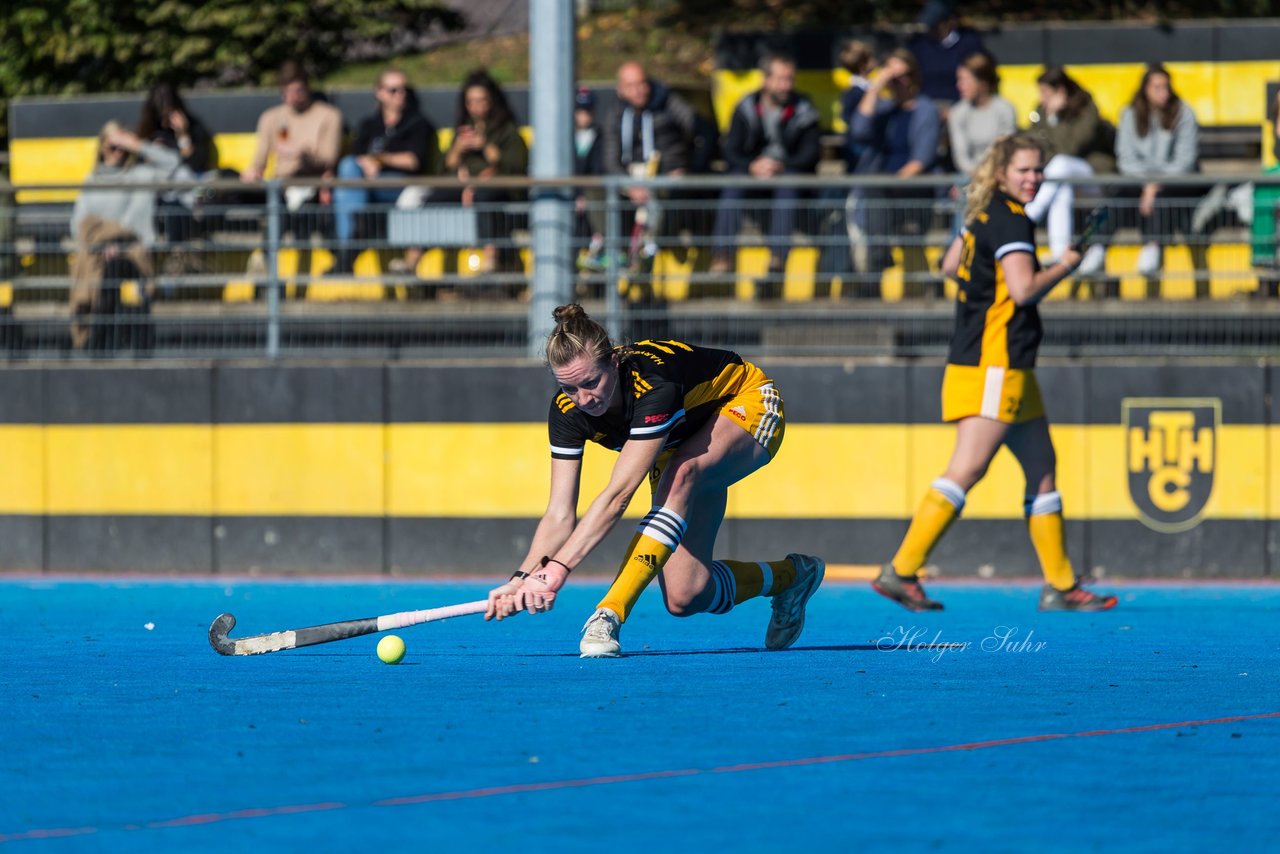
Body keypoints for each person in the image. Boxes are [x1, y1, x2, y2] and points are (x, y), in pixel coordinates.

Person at [484, 304, 825, 658]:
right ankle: (793, 576)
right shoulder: (568, 411)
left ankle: (609, 614)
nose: (584, 400)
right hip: (682, 442)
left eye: (591, 383)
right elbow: (558, 514)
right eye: (570, 389)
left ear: (614, 362)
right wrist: (523, 576)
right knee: (686, 595)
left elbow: (619, 495)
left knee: (681, 474)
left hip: (747, 403)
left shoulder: (653, 385)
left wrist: (558, 568)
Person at [872, 132, 1118, 613]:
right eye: (1024, 169)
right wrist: (1067, 263)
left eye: (1039, 169)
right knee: (967, 468)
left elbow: (948, 266)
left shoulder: (982, 216)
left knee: (1042, 470)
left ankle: (1061, 585)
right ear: (1002, 172)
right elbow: (1024, 290)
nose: (1034, 178)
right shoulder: (1009, 219)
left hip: (1001, 364)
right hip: (994, 364)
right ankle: (900, 570)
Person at [710, 51, 821, 299]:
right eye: (781, 79)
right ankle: (722, 255)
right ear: (765, 80)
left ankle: (777, 260)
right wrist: (752, 165)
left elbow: (810, 154)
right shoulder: (746, 107)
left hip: (787, 175)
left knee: (788, 186)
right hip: (754, 176)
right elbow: (731, 150)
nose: (786, 85)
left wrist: (780, 165)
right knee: (733, 184)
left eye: (790, 79)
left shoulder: (805, 108)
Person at [69, 121, 181, 350]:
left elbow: (172, 163)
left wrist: (136, 144)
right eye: (113, 146)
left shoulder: (139, 174)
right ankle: (100, 339)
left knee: (116, 271)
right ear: (101, 147)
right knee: (104, 273)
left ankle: (98, 341)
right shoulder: (91, 180)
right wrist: (102, 245)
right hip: (98, 252)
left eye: (122, 148)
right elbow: (78, 224)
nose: (118, 152)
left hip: (131, 251)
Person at [849, 48, 942, 299]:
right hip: (880, 189)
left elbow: (922, 159)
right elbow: (858, 130)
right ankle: (877, 265)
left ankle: (873, 280)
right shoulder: (884, 109)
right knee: (870, 195)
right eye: (894, 76)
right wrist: (876, 86)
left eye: (904, 75)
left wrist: (893, 183)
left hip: (912, 187)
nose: (900, 82)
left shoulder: (925, 109)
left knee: (873, 193)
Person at [332, 67, 435, 273]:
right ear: (379, 93)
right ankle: (353, 236)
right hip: (367, 185)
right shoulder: (369, 124)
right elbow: (356, 156)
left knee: (350, 180)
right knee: (348, 168)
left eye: (403, 90)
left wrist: (381, 159)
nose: (400, 95)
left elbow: (413, 161)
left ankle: (349, 245)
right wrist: (367, 163)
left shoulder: (418, 123)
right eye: (393, 90)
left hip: (400, 184)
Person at [1114, 64, 1205, 296]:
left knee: (1163, 197)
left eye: (1166, 86)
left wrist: (1154, 185)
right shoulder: (1129, 114)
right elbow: (1125, 160)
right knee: (1117, 193)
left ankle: (1153, 246)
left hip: (1178, 185)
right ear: (1145, 89)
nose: (1163, 92)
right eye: (1157, 87)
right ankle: (1095, 248)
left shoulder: (1184, 112)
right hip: (1142, 185)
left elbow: (1185, 162)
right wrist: (1148, 184)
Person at [436, 69, 529, 277]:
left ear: (491, 101)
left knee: (485, 195)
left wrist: (485, 145)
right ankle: (414, 259)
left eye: (481, 100)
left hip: (500, 194)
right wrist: (458, 149)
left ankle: (490, 257)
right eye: (471, 102)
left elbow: (514, 166)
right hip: (464, 190)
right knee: (435, 197)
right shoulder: (463, 130)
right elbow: (445, 167)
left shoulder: (506, 130)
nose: (476, 107)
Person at [1025, 67, 1116, 277]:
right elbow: (1036, 149)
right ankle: (1060, 252)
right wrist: (1050, 118)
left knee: (1062, 165)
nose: (1042, 99)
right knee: (1061, 186)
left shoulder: (1086, 108)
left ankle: (1029, 215)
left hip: (1094, 177)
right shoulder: (1041, 112)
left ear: (1061, 92)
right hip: (1063, 178)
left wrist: (1055, 119)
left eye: (1046, 93)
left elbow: (1070, 148)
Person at [241, 60, 343, 228]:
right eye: (287, 91)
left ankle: (269, 251)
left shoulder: (330, 116)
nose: (293, 97)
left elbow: (329, 159)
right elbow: (260, 159)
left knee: (296, 205)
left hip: (313, 186)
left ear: (307, 88)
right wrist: (253, 171)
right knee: (228, 182)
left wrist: (302, 154)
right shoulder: (271, 117)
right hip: (279, 186)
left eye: (298, 91)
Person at [947, 51, 1018, 236]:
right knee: (964, 184)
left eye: (964, 80)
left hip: (998, 173)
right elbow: (962, 157)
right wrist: (979, 176)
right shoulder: (958, 113)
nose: (958, 85)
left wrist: (989, 175)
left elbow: (1005, 149)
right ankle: (960, 244)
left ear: (982, 82)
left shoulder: (1004, 109)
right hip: (972, 177)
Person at [907, 0, 986, 108]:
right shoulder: (918, 45)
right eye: (930, 25)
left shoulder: (969, 43)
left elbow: (978, 77)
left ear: (951, 21)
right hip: (926, 105)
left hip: (961, 105)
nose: (932, 29)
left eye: (937, 24)